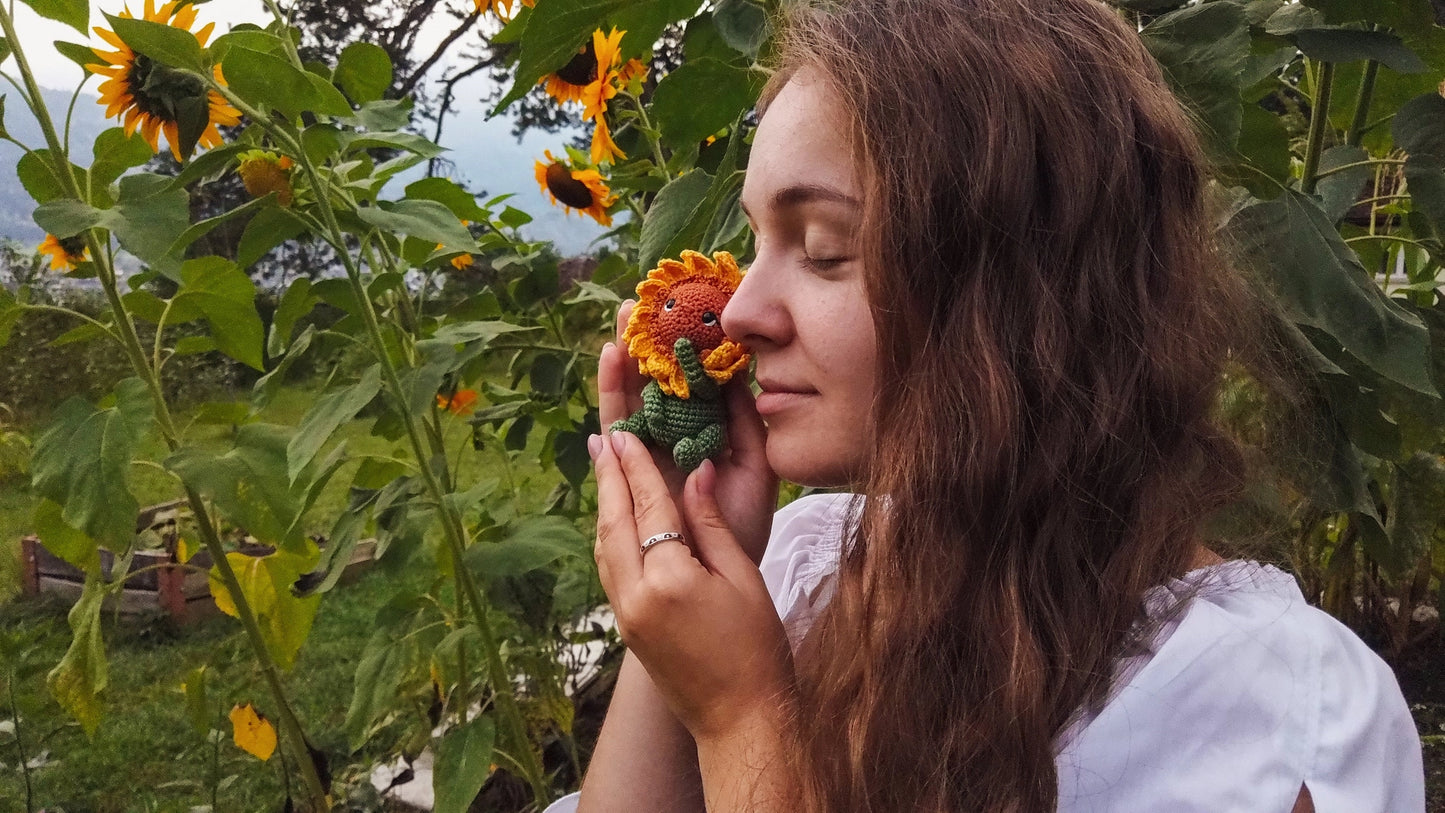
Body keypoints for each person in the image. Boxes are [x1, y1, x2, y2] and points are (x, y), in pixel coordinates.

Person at [548, 0, 1427, 809]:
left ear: (1019, 300)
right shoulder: (801, 571)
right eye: (754, 237)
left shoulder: (1266, 719)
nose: (739, 310)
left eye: (821, 250)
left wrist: (740, 714)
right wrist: (678, 602)